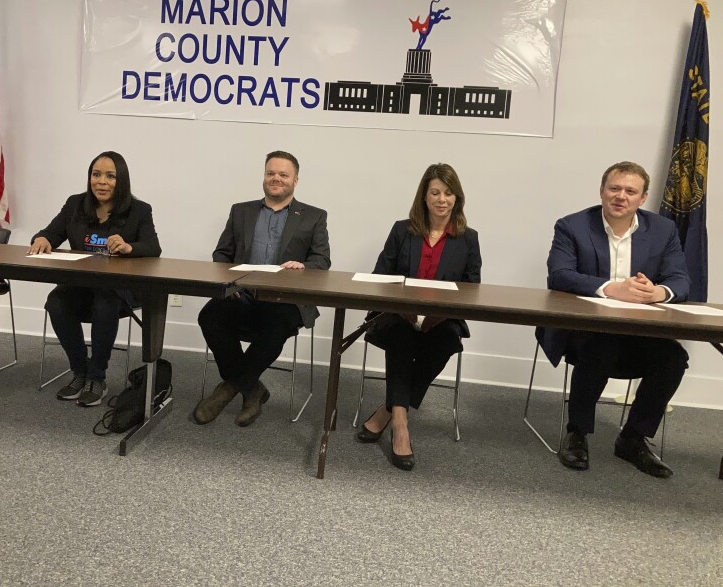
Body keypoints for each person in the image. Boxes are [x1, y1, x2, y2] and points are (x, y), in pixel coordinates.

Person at [540, 161, 690, 478]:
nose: (621, 196)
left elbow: (680, 281)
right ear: (602, 191)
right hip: (584, 331)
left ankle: (633, 438)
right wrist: (611, 289)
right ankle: (577, 432)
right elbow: (559, 275)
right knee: (601, 344)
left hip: (638, 333)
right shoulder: (572, 226)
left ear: (643, 197)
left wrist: (658, 293)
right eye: (615, 188)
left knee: (674, 357)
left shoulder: (663, 230)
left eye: (630, 191)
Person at [357, 163, 481, 471]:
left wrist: (440, 311)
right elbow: (380, 275)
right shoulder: (403, 230)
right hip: (399, 314)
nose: (442, 199)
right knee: (402, 337)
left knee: (448, 340)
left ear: (457, 198)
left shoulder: (468, 238)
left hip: (441, 318)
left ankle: (387, 411)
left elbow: (472, 289)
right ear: (423, 197)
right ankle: (401, 425)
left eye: (448, 193)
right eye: (435, 192)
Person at [194, 150, 331, 427]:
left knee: (276, 327)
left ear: (295, 180)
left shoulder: (314, 216)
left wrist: (303, 266)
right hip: (241, 294)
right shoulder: (240, 211)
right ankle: (252, 388)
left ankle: (228, 388)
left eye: (283, 174)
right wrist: (228, 283)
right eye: (271, 173)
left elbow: (322, 260)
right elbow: (222, 254)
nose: (276, 179)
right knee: (209, 316)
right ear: (264, 176)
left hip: (285, 300)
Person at [29, 151, 161, 407]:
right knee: (56, 301)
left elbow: (153, 247)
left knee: (104, 302)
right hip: (80, 284)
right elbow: (50, 233)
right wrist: (41, 238)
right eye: (96, 174)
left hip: (118, 289)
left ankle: (97, 376)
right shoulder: (75, 204)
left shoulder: (139, 210)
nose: (101, 181)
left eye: (110, 176)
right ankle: (80, 371)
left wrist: (128, 247)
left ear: (121, 180)